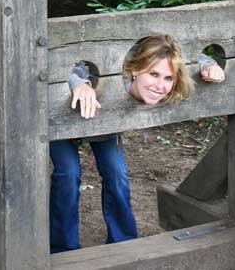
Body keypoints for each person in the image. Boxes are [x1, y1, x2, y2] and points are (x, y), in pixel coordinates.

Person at [50, 34, 225, 254]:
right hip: (61, 123)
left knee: (116, 174)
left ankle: (123, 242)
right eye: (153, 74)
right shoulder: (114, 67)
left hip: (105, 129)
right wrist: (82, 85)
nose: (160, 85)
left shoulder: (163, 73)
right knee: (68, 173)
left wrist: (209, 65)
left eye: (168, 78)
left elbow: (191, 55)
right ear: (134, 70)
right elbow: (76, 68)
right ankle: (62, 249)